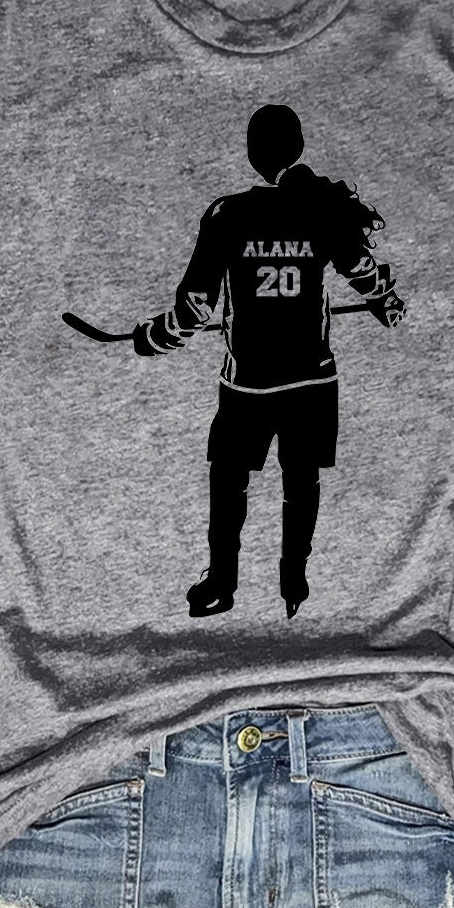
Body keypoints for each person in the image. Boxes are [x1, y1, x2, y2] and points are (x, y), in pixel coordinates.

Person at [133, 104, 404, 619]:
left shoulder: (228, 214)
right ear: (298, 147)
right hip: (312, 381)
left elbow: (195, 310)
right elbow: (364, 272)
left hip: (249, 386)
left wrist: (154, 337)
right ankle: (293, 581)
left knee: (229, 481)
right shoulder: (322, 210)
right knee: (301, 483)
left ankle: (222, 582)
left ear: (252, 154)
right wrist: (386, 303)